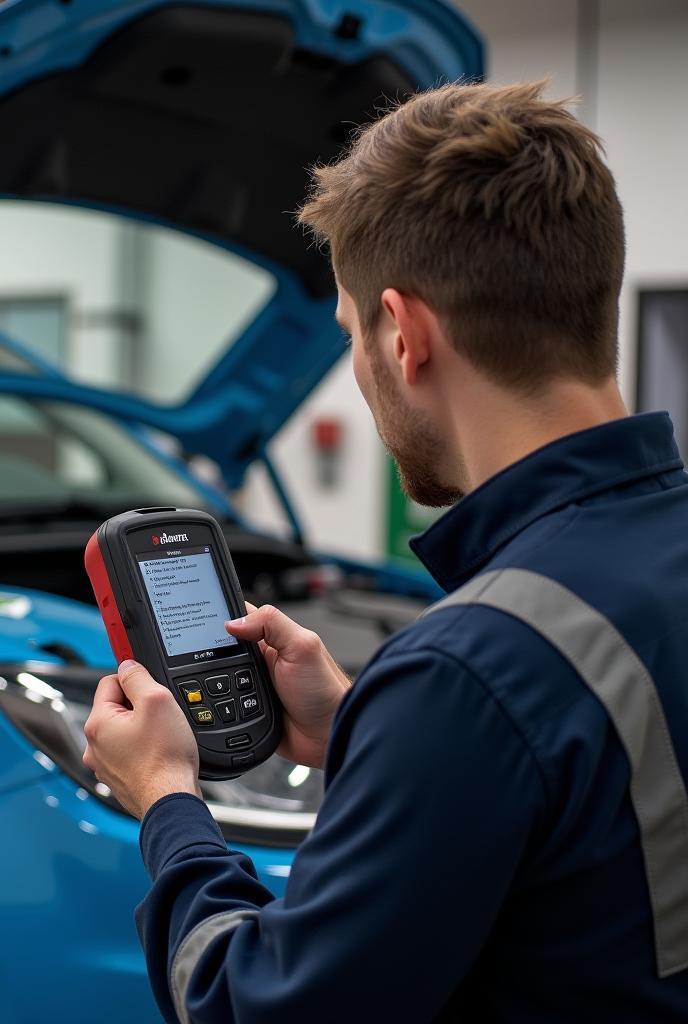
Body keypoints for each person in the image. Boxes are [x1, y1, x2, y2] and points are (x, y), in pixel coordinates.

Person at [81, 80, 688, 1022]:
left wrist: (165, 799)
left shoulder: (470, 672)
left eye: (351, 335)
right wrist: (367, 726)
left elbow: (255, 1005)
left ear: (403, 335)